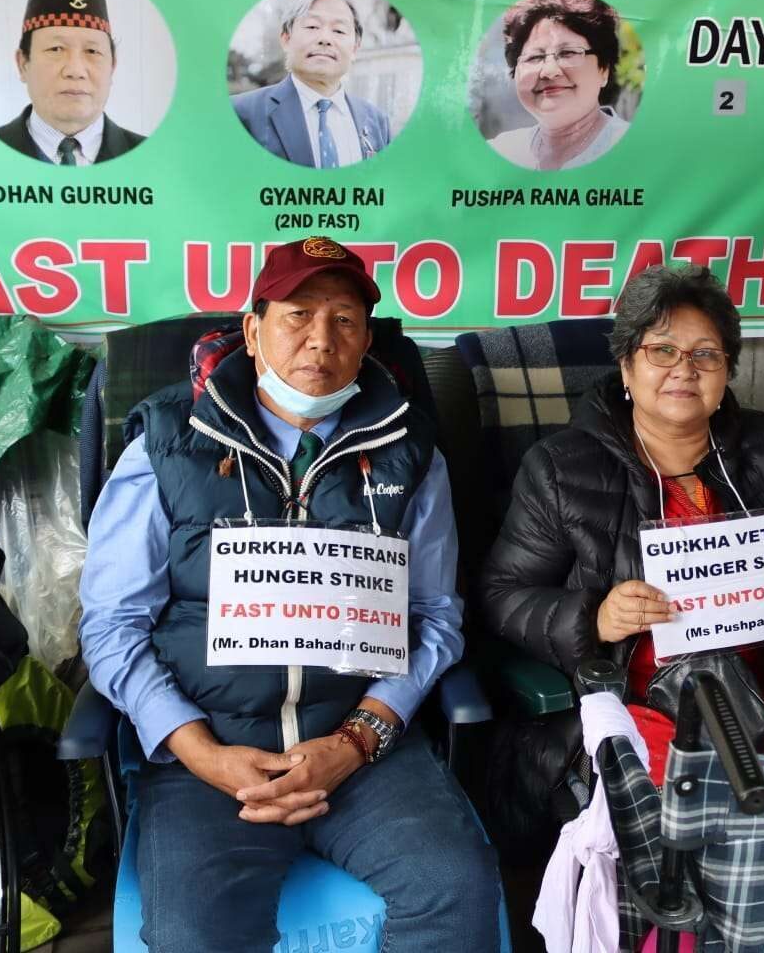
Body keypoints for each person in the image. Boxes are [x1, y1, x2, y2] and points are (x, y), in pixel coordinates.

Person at [79, 236, 499, 952]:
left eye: (343, 320)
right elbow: (113, 625)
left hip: (362, 751)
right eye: (297, 315)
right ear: (252, 329)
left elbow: (435, 617)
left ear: (368, 339)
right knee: (189, 933)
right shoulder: (168, 438)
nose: (320, 339)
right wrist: (198, 749)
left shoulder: (409, 450)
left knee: (457, 895)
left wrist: (358, 738)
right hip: (210, 752)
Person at [478, 264, 764, 785]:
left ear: (727, 370)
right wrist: (595, 617)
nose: (685, 369)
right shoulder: (560, 466)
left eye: (705, 354)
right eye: (661, 351)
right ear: (624, 366)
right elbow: (501, 595)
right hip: (642, 706)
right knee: (708, 810)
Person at [0, 0, 147, 164]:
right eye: (56, 49)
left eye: (92, 51)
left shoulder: (154, 158)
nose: (75, 70)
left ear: (112, 66)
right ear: (23, 64)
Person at [232, 0, 392, 168]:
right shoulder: (241, 114)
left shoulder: (377, 122)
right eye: (312, 26)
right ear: (286, 39)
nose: (325, 38)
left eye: (339, 31)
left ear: (355, 47)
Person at [487, 0, 630, 171]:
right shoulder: (503, 151)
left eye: (568, 53)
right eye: (534, 57)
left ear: (603, 70)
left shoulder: (638, 150)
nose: (549, 71)